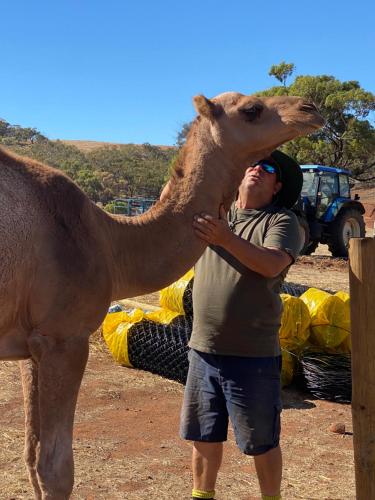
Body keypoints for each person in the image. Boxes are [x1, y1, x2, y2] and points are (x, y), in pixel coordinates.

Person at [180, 150, 304, 500]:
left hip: (252, 354)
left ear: (277, 185)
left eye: (267, 168)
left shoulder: (281, 221)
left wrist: (224, 238)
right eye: (251, 164)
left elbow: (272, 264)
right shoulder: (216, 214)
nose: (257, 170)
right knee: (203, 436)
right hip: (202, 349)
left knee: (260, 441)